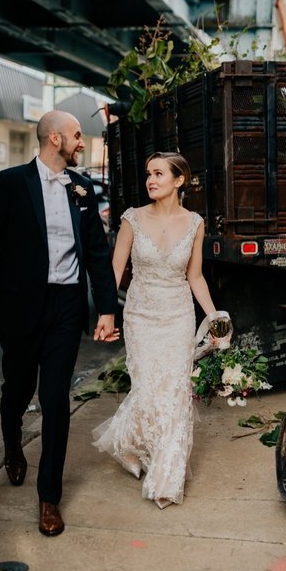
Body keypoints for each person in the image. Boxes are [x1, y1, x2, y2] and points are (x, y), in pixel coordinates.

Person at [0, 109, 119, 537]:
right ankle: (12, 442)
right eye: (76, 135)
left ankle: (49, 497)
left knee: (55, 399)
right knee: (17, 391)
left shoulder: (82, 189)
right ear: (54, 139)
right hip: (20, 307)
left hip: (66, 307)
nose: (81, 142)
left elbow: (98, 254)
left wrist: (106, 309)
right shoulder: (11, 183)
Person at [91, 151, 220, 509]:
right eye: (149, 173)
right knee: (148, 389)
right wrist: (107, 314)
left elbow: (194, 277)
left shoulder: (195, 223)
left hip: (178, 316)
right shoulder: (132, 219)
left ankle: (166, 476)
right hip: (141, 316)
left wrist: (214, 318)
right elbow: (115, 270)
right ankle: (130, 443)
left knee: (175, 393)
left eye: (159, 174)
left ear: (179, 181)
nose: (151, 179)